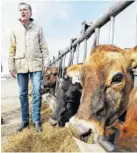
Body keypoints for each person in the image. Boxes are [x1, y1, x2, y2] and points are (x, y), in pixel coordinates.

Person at [8, 2, 49, 132]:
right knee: (22, 94)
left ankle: (36, 120)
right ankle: (24, 121)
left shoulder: (38, 28)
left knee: (37, 92)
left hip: (36, 65)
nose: (22, 12)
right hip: (20, 66)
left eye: (25, 10)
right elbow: (11, 49)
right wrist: (11, 66)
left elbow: (44, 47)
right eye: (20, 10)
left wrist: (46, 62)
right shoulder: (14, 29)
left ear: (30, 13)